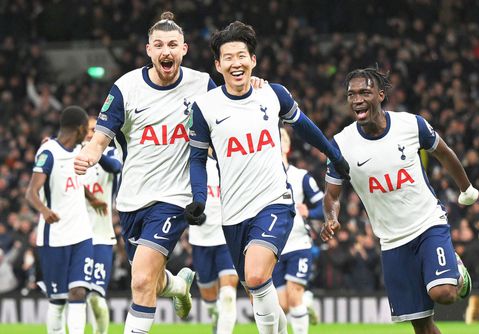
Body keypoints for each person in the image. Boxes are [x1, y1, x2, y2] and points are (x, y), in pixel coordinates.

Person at [73, 11, 267, 334]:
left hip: (175, 198)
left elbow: (234, 101)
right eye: (159, 44)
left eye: (173, 45)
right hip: (133, 199)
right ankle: (176, 286)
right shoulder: (126, 88)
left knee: (141, 280)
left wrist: (255, 85)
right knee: (149, 276)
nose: (166, 51)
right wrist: (88, 155)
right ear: (149, 50)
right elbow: (100, 138)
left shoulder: (201, 84)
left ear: (184, 50)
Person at [186, 21, 349, 334]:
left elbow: (304, 127)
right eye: (228, 57)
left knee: (259, 277)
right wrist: (199, 198)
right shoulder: (204, 108)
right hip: (232, 214)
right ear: (218, 65)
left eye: (242, 56)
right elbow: (196, 159)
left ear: (253, 60)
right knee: (257, 290)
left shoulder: (273, 95)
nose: (237, 63)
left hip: (274, 202)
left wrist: (334, 155)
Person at [320, 67, 479, 334]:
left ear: (380, 95)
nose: (357, 99)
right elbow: (332, 194)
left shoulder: (411, 125)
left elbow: (444, 153)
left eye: (365, 92)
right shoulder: (341, 144)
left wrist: (466, 189)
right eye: (351, 94)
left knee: (444, 293)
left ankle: (459, 274)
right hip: (392, 241)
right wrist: (331, 218)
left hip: (428, 224)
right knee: (422, 327)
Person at [25, 106, 105, 334]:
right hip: (55, 237)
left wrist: (92, 199)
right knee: (58, 301)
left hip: (81, 235)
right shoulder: (49, 153)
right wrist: (44, 210)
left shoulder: (81, 151)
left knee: (79, 291)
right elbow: (31, 191)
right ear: (80, 129)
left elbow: (75, 184)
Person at [272, 128, 322, 334]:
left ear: (287, 145)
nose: (278, 141)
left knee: (293, 297)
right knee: (281, 305)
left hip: (298, 245)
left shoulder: (301, 177)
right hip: (274, 247)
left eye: (282, 138)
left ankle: (301, 300)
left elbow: (324, 208)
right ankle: (306, 300)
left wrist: (309, 211)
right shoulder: (261, 179)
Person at [189, 149, 239, 334]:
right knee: (209, 299)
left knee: (227, 295)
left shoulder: (232, 161)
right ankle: (216, 314)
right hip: (200, 239)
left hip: (227, 238)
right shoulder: (194, 163)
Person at [83, 116, 122, 334]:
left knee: (96, 296)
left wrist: (95, 152)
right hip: (76, 237)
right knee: (75, 295)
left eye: (94, 130)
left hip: (101, 237)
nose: (91, 133)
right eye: (87, 129)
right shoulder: (72, 157)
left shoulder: (109, 154)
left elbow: (115, 168)